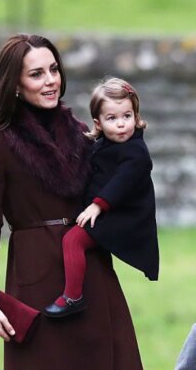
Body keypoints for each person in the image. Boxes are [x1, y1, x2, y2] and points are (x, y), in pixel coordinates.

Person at [0, 34, 149, 370]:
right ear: (15, 84)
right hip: (36, 281)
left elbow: (125, 175)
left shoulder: (81, 131)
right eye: (36, 74)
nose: (50, 80)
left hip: (90, 274)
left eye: (53, 70)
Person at [44, 77, 159, 318]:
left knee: (73, 240)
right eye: (112, 118)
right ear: (98, 123)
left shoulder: (136, 152)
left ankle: (73, 297)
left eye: (127, 116)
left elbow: (121, 182)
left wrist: (97, 206)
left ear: (136, 116)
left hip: (124, 217)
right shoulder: (102, 144)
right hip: (108, 212)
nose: (121, 125)